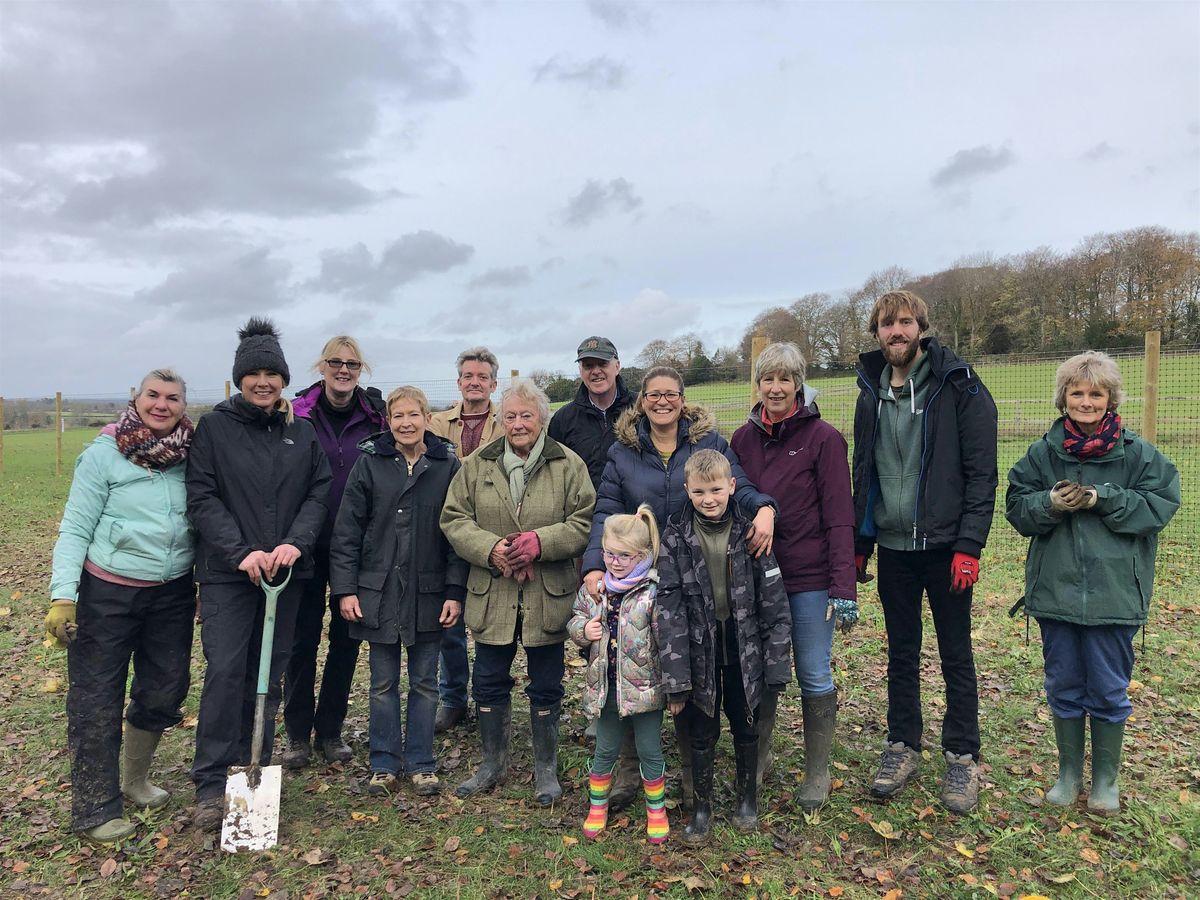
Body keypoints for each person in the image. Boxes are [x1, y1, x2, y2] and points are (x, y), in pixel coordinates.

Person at [581, 365, 777, 812]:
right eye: (653, 394)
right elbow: (605, 509)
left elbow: (738, 486)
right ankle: (630, 770)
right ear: (642, 400)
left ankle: (693, 778)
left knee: (689, 674)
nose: (662, 401)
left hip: (693, 582)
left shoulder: (709, 443)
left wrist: (764, 508)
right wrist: (595, 564)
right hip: (637, 578)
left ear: (683, 398)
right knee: (635, 669)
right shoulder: (623, 451)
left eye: (671, 393)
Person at [1006, 351, 1179, 815]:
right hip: (1056, 593)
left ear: (1110, 400)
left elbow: (1161, 505)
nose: (1086, 401)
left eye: (1095, 394)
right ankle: (1068, 775)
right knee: (1063, 682)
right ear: (1064, 398)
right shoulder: (1044, 452)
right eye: (1077, 393)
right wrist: (1050, 503)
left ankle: (1105, 781)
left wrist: (1104, 498)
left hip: (1114, 594)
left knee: (1106, 688)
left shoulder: (1137, 453)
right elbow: (1017, 507)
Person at [852, 290, 997, 815]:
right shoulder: (869, 389)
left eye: (906, 322)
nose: (897, 332)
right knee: (901, 651)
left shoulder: (959, 385)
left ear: (921, 327)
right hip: (893, 548)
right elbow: (863, 471)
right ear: (877, 332)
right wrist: (860, 542)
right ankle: (902, 746)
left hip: (945, 548)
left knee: (956, 653)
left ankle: (961, 756)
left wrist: (969, 545)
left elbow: (983, 473)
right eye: (888, 324)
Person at [186, 318, 332, 831]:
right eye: (254, 374)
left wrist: (295, 543)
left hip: (286, 575)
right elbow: (202, 497)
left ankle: (256, 767)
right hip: (231, 576)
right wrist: (240, 552)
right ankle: (210, 781)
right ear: (240, 378)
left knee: (268, 675)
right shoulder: (215, 428)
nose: (263, 382)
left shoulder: (301, 431)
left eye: (272, 373)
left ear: (283, 379)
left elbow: (319, 492)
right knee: (226, 673)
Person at [45, 369, 196, 843]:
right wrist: (62, 595)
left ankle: (134, 780)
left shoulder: (190, 455)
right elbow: (74, 527)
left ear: (182, 406)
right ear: (137, 397)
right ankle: (95, 806)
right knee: (96, 697)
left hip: (171, 591)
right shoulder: (104, 454)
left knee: (165, 687)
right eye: (153, 394)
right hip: (107, 591)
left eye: (172, 398)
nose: (161, 404)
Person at [440, 379, 596, 805]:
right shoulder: (476, 465)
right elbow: (454, 519)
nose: (518, 424)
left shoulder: (568, 464)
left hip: (548, 593)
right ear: (501, 420)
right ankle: (493, 763)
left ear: (542, 418)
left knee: (546, 683)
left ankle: (546, 769)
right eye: (510, 416)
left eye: (527, 415)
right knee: (488, 679)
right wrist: (490, 548)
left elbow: (584, 522)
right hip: (492, 591)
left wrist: (540, 543)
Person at [731, 341, 857, 807]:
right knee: (762, 670)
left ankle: (816, 772)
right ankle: (758, 759)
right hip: (756, 575)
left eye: (786, 378)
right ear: (758, 384)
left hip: (808, 577)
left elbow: (840, 516)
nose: (776, 387)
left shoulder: (823, 438)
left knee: (812, 670)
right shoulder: (742, 440)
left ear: (799, 383)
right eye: (768, 378)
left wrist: (843, 585)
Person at [331, 387, 467, 797]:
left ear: (428, 417)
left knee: (426, 682)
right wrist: (346, 590)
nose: (406, 423)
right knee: (382, 683)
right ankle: (384, 761)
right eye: (397, 416)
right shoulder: (370, 464)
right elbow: (347, 532)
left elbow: (457, 535)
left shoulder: (446, 466)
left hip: (428, 594)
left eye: (413, 414)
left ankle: (422, 762)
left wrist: (453, 591)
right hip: (379, 593)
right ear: (387, 421)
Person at [656, 450, 792, 844]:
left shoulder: (750, 532)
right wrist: (676, 679)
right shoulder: (675, 535)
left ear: (732, 486)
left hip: (743, 648)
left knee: (746, 723)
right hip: (698, 652)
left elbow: (774, 604)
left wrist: (776, 664)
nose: (709, 498)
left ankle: (746, 799)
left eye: (716, 489)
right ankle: (702, 806)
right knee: (702, 730)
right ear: (687, 490)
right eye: (699, 491)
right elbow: (669, 608)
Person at [282, 336, 386, 768]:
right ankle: (296, 736)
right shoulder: (295, 415)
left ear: (361, 370)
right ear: (320, 367)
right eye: (335, 363)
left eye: (352, 364)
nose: (343, 370)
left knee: (346, 641)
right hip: (305, 544)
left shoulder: (374, 417)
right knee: (300, 641)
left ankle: (330, 730)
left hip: (357, 548)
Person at [568, 505, 668, 845]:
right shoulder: (596, 590)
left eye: (623, 556)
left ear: (641, 555)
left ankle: (657, 810)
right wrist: (585, 629)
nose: (613, 562)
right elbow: (575, 620)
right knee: (605, 749)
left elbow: (665, 639)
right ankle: (597, 807)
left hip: (646, 690)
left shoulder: (653, 592)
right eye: (608, 554)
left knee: (650, 749)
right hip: (606, 687)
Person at [428, 347, 502, 733]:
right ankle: (453, 697)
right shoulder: (436, 423)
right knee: (449, 621)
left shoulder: (507, 424)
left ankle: (491, 699)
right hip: (445, 531)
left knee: (494, 622)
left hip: (493, 532)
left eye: (482, 377)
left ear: (494, 383)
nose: (475, 382)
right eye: (468, 376)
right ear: (459, 382)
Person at [548, 336, 636, 490]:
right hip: (585, 511)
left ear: (617, 366)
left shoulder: (641, 408)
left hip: (633, 510)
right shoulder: (562, 419)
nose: (596, 371)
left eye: (603, 363)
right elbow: (555, 472)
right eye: (588, 366)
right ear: (580, 371)